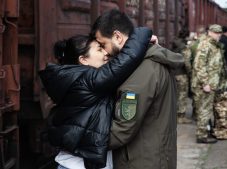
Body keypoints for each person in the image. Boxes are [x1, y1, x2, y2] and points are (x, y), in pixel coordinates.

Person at [39, 27, 153, 169]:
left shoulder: (74, 78)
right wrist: (143, 33)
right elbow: (126, 60)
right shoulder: (88, 79)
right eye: (99, 49)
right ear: (84, 59)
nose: (106, 52)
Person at [91, 9, 183, 169]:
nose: (104, 51)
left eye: (103, 44)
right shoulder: (150, 60)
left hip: (142, 161)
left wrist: (81, 139)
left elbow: (122, 130)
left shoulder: (140, 72)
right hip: (154, 155)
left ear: (118, 37)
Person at [191, 24, 225, 144]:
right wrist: (205, 83)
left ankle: (206, 130)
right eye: (216, 33)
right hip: (203, 85)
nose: (219, 35)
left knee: (206, 109)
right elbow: (199, 65)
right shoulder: (205, 45)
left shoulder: (214, 45)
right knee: (204, 110)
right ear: (210, 32)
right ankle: (201, 135)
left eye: (220, 33)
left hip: (211, 84)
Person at [172, 27, 193, 124]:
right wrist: (190, 73)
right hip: (182, 74)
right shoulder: (184, 47)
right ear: (187, 36)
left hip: (173, 73)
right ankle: (181, 116)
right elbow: (187, 62)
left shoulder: (174, 43)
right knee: (182, 95)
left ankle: (174, 115)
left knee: (175, 95)